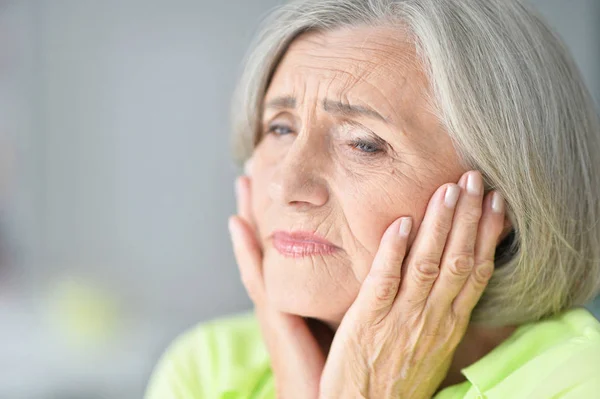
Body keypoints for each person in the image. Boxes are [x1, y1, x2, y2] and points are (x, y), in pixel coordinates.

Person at [145, 0, 600, 397]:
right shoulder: (207, 369)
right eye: (280, 128)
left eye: (363, 143)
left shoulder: (580, 382)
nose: (284, 185)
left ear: (500, 201)